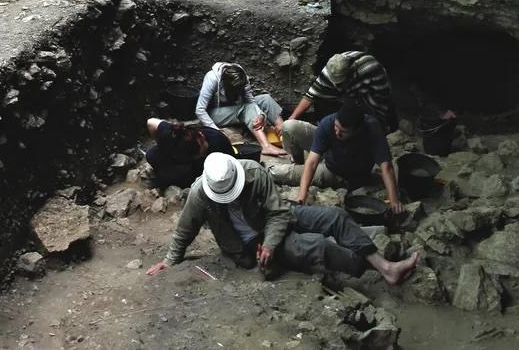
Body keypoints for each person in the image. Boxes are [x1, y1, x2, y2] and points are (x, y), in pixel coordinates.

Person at [145, 153, 419, 283]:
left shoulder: (253, 172)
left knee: (335, 216)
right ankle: (376, 269)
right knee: (316, 246)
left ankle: (386, 266)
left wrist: (272, 243)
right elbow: (185, 230)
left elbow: (277, 212)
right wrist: (169, 261)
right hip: (246, 245)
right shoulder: (199, 194)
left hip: (273, 220)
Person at [273, 100, 405, 213]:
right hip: (330, 158)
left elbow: (386, 166)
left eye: (343, 132)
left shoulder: (372, 128)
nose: (337, 133)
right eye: (336, 127)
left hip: (336, 173)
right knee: (289, 128)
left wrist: (394, 201)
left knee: (284, 173)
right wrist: (302, 195)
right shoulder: (328, 122)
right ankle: (271, 167)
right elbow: (312, 162)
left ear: (357, 129)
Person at [287, 51, 393, 132]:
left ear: (351, 71)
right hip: (347, 97)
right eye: (336, 83)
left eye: (341, 82)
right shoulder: (329, 71)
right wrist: (291, 119)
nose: (338, 86)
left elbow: (380, 102)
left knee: (373, 125)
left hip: (368, 95)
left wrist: (376, 126)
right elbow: (311, 96)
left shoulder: (370, 69)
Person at [195, 62, 285, 156]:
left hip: (234, 108)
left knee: (265, 99)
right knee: (247, 108)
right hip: (214, 114)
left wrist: (261, 115)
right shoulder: (212, 78)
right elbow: (200, 110)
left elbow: (250, 100)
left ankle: (283, 132)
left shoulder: (241, 77)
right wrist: (216, 130)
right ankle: (266, 146)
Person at [144, 118, 234, 188]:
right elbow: (151, 122)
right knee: (151, 155)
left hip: (202, 164)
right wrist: (161, 145)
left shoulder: (218, 146)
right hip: (183, 157)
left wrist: (200, 155)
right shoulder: (174, 134)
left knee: (173, 176)